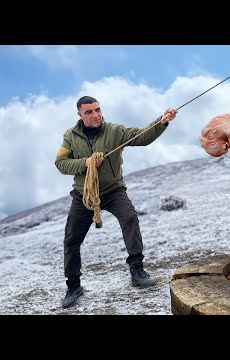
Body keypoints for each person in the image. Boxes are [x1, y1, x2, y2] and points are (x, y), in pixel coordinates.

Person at [55, 95, 178, 309]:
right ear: (79, 115)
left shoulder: (114, 131)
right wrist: (85, 163)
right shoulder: (70, 137)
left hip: (113, 191)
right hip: (83, 194)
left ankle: (137, 271)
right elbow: (61, 163)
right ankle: (73, 286)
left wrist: (162, 121)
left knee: (130, 218)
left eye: (97, 110)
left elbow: (141, 136)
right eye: (89, 112)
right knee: (71, 240)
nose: (95, 115)